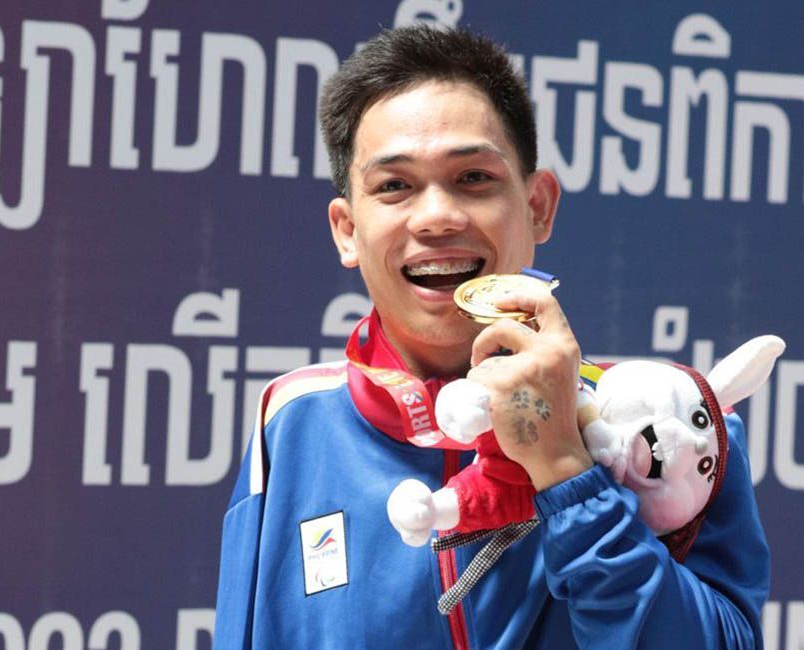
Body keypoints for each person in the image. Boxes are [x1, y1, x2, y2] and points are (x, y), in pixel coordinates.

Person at [213, 25, 769, 649]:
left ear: (538, 207)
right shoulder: (290, 424)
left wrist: (567, 471)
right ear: (347, 230)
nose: (436, 217)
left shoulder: (669, 420)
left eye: (473, 177)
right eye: (394, 185)